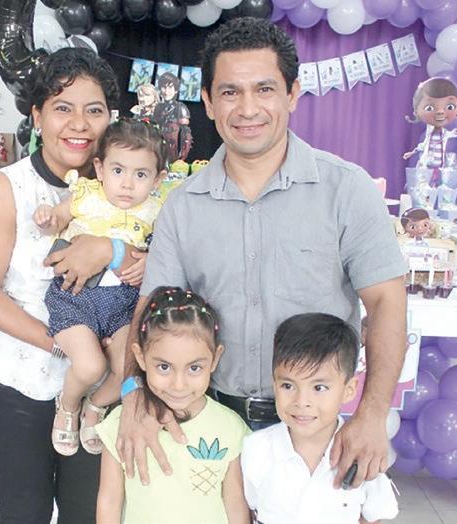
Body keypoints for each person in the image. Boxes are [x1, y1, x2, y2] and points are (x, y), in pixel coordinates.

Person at [117, 16, 408, 492]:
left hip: (315, 431)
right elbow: (152, 310)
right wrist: (133, 395)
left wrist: (373, 414)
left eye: (265, 89)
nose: (247, 108)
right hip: (207, 423)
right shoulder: (183, 206)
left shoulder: (346, 190)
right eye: (230, 92)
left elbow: (386, 303)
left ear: (292, 94)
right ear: (208, 101)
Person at [0, 48, 136, 523]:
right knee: (25, 513)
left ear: (111, 118)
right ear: (38, 116)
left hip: (100, 391)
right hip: (19, 384)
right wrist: (59, 343)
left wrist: (111, 251)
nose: (79, 124)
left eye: (94, 110)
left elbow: (154, 263)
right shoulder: (8, 189)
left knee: (88, 513)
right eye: (63, 108)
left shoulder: (128, 185)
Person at [32, 118, 168, 456]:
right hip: (76, 296)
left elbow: (169, 252)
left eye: (141, 174)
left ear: (158, 179)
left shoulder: (157, 211)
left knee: (130, 368)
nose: (127, 184)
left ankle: (95, 405)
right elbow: (57, 220)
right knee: (90, 365)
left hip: (125, 304)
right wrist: (49, 217)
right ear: (99, 168)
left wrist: (150, 259)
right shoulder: (87, 196)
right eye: (118, 170)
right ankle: (68, 405)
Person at [96, 287, 250, 524]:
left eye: (194, 368)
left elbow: (236, 504)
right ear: (140, 357)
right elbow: (109, 501)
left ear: (215, 359)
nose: (179, 385)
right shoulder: (121, 423)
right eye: (164, 367)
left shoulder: (231, 427)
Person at [241, 313, 398, 524]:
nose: (302, 401)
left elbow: (373, 518)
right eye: (288, 385)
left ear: (349, 390)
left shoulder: (362, 454)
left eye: (319, 387)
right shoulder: (255, 449)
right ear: (274, 384)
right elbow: (251, 511)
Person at [403, 78, 457, 187]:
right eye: (430, 108)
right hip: (428, 164)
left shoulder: (444, 133)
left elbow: (454, 133)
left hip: (439, 165)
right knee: (423, 184)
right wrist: (412, 152)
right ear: (417, 111)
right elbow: (423, 145)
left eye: (449, 107)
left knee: (438, 184)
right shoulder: (429, 133)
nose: (440, 112)